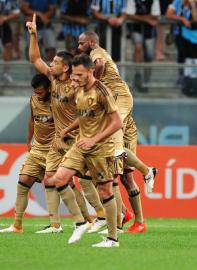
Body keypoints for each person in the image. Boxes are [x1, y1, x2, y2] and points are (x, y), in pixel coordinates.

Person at [26, 14, 106, 237]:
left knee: (87, 181)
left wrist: (70, 130)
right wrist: (33, 35)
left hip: (76, 138)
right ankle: (66, 224)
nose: (50, 65)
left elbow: (87, 111)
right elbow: (35, 59)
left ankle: (101, 216)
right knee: (51, 178)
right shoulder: (52, 80)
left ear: (66, 67)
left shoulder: (76, 86)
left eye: (55, 63)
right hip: (58, 140)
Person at [78, 30, 157, 233]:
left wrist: (96, 83)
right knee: (110, 174)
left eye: (81, 43)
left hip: (122, 103)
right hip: (118, 105)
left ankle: (146, 174)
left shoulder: (97, 52)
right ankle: (123, 215)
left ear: (92, 42)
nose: (79, 47)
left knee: (120, 169)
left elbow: (101, 65)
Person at [57, 53, 123, 247]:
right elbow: (85, 115)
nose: (74, 78)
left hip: (101, 148)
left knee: (105, 190)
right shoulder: (78, 89)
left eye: (79, 74)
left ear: (90, 71)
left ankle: (112, 238)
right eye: (73, 74)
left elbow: (117, 122)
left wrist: (93, 140)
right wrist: (69, 129)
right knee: (58, 178)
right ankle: (81, 222)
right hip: (81, 145)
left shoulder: (102, 91)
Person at [0, 74, 56, 233]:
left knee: (61, 185)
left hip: (55, 149)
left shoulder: (58, 101)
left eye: (41, 92)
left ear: (49, 89)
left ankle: (59, 224)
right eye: (35, 92)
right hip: (37, 148)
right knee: (23, 181)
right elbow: (32, 119)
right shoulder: (33, 100)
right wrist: (29, 140)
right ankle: (17, 225)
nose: (38, 95)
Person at [126, 0, 161, 92]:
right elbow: (129, 15)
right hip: (135, 29)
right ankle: (138, 74)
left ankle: (145, 82)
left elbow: (156, 15)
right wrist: (147, 19)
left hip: (150, 31)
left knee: (149, 56)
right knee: (138, 46)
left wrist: (137, 17)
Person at [166, 0, 197, 86]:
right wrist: (182, 19)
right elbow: (168, 14)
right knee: (182, 53)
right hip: (179, 33)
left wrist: (193, 6)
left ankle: (192, 76)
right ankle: (181, 75)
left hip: (195, 35)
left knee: (193, 55)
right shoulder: (177, 2)